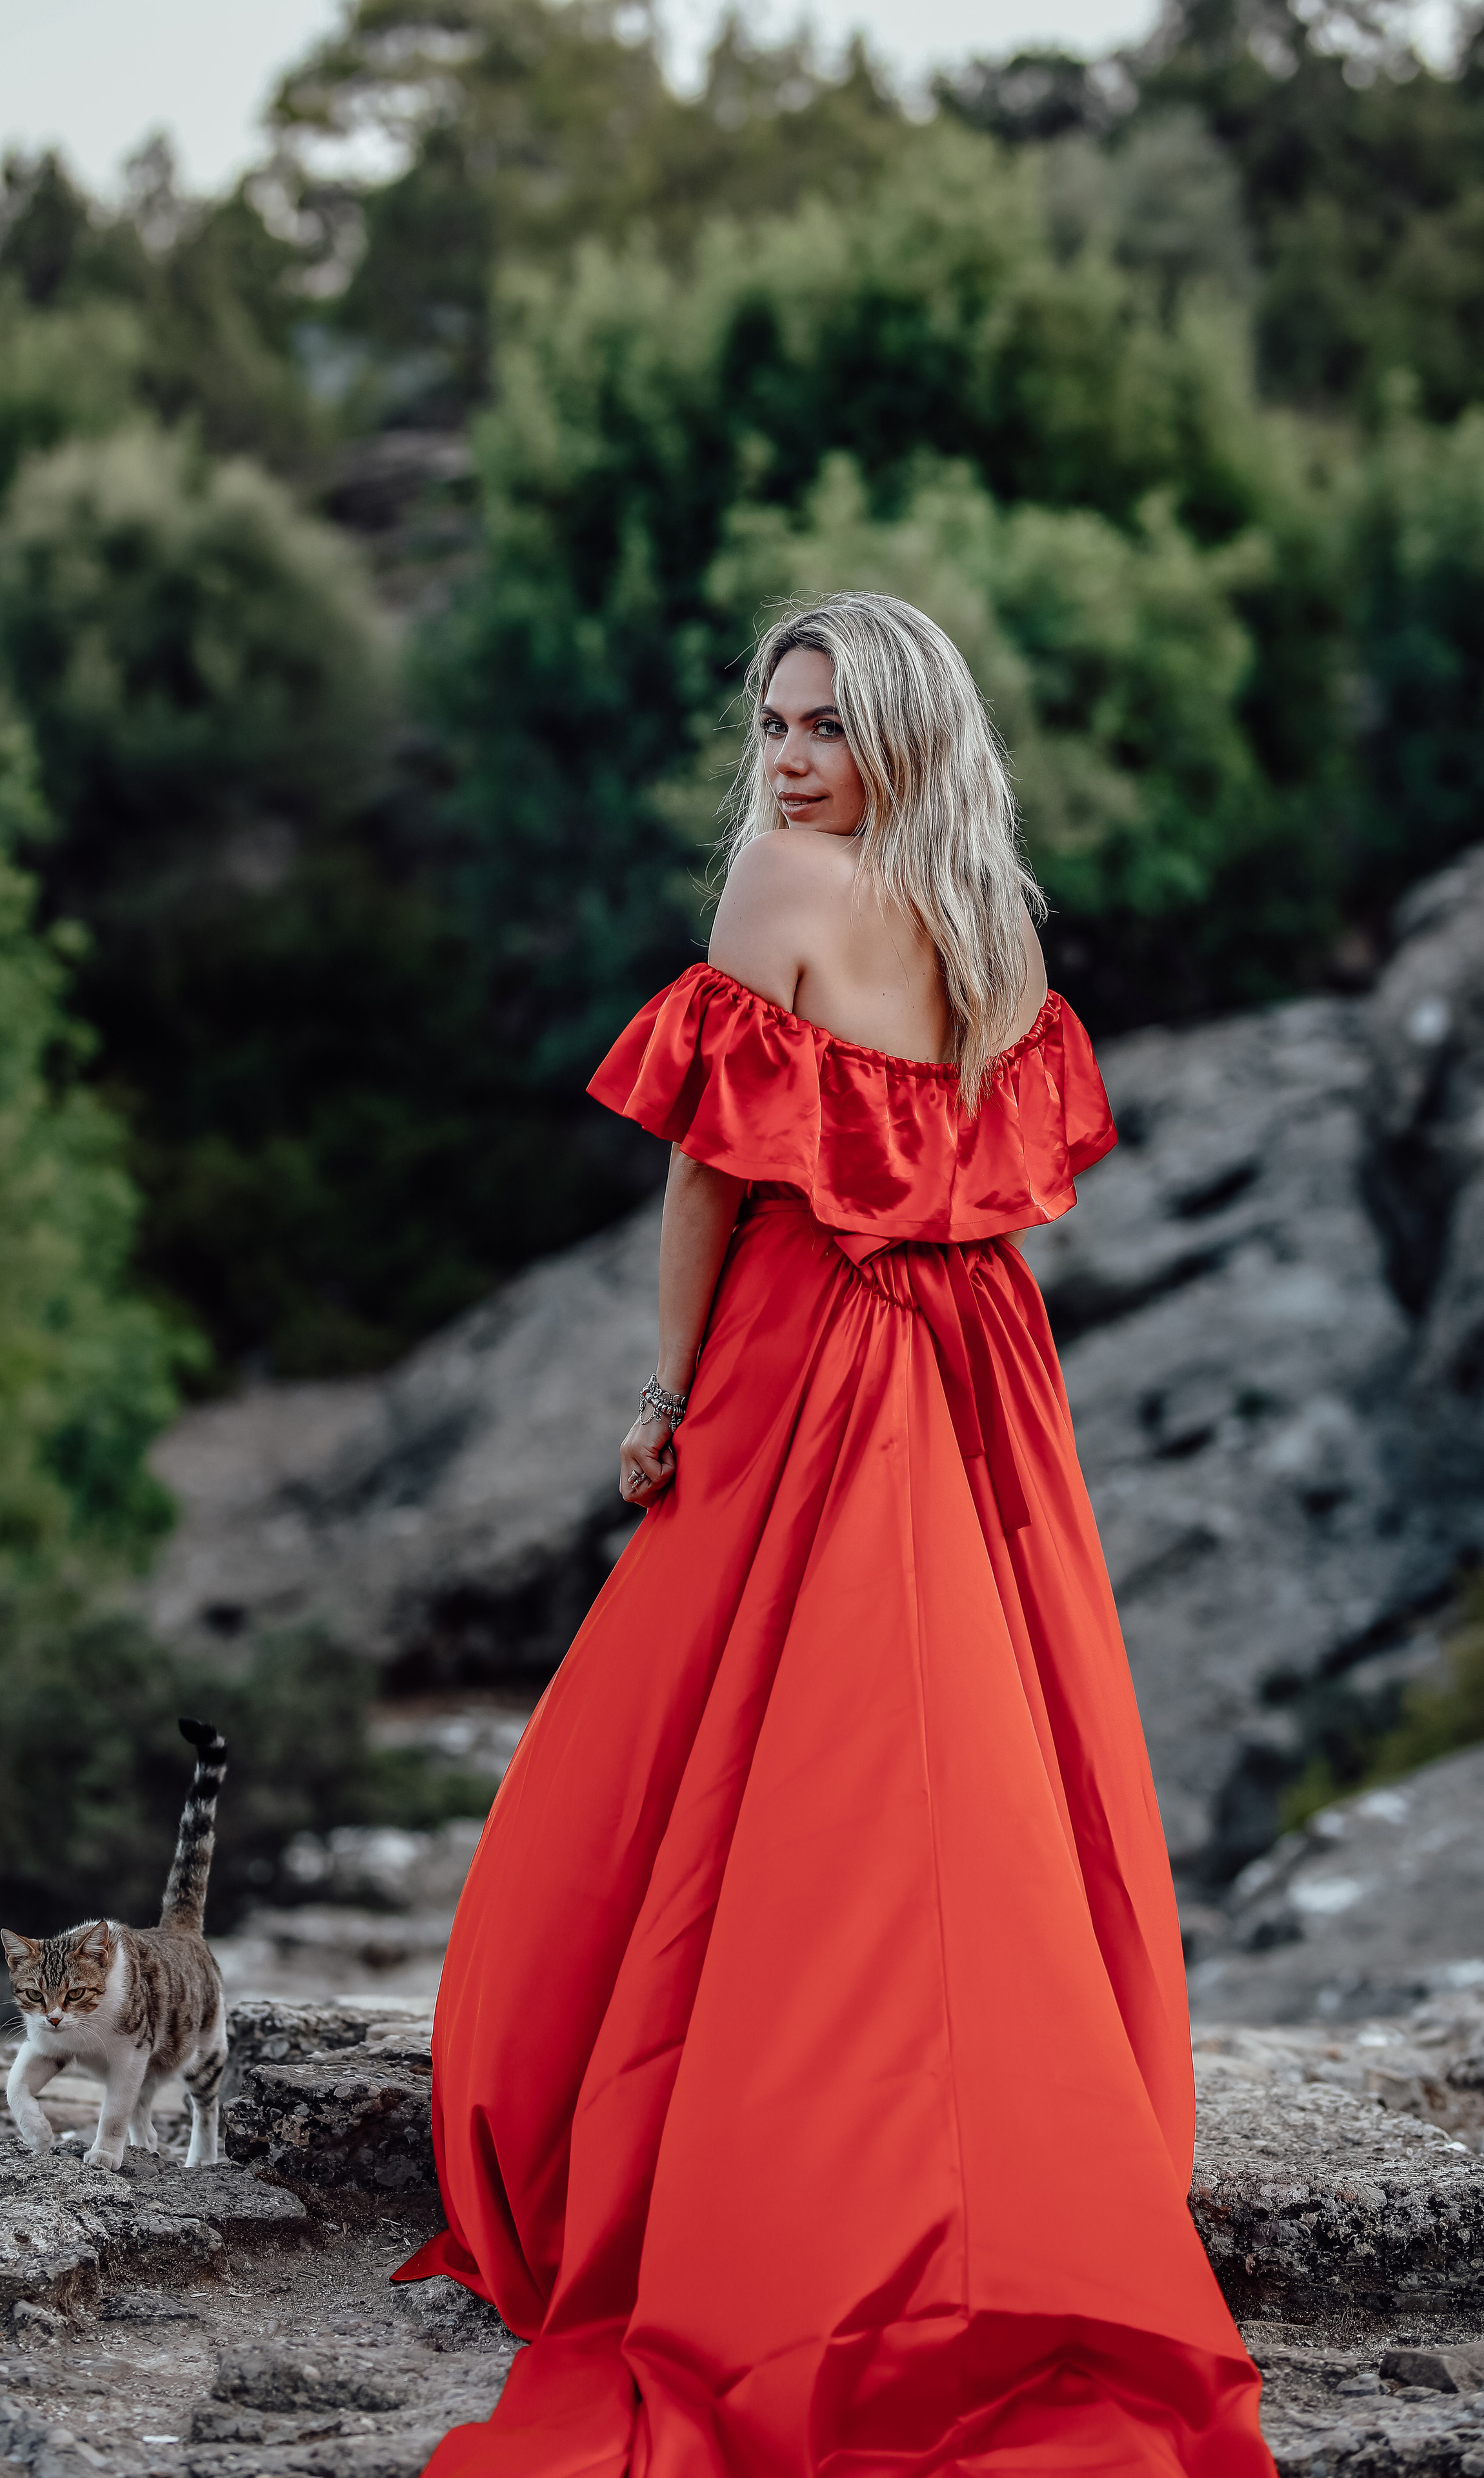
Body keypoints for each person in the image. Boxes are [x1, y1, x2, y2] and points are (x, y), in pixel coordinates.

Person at [395, 593, 1276, 2476]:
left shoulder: (777, 898)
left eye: (823, 729)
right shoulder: (1003, 926)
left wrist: (667, 1397)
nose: (786, 762)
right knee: (965, 1752)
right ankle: (999, 2160)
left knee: (723, 1749)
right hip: (978, 1368)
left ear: (899, 736)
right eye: (776, 726)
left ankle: (715, 2160)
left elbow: (709, 1183)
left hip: (812, 1353)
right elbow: (1000, 1195)